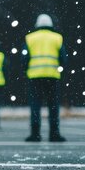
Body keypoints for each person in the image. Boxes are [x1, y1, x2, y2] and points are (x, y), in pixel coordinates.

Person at [22, 14, 68, 142]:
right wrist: (59, 69)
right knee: (53, 106)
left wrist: (27, 70)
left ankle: (35, 134)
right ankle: (54, 134)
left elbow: (24, 58)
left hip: (35, 77)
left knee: (35, 105)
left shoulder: (30, 38)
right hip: (52, 76)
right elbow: (63, 58)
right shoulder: (57, 38)